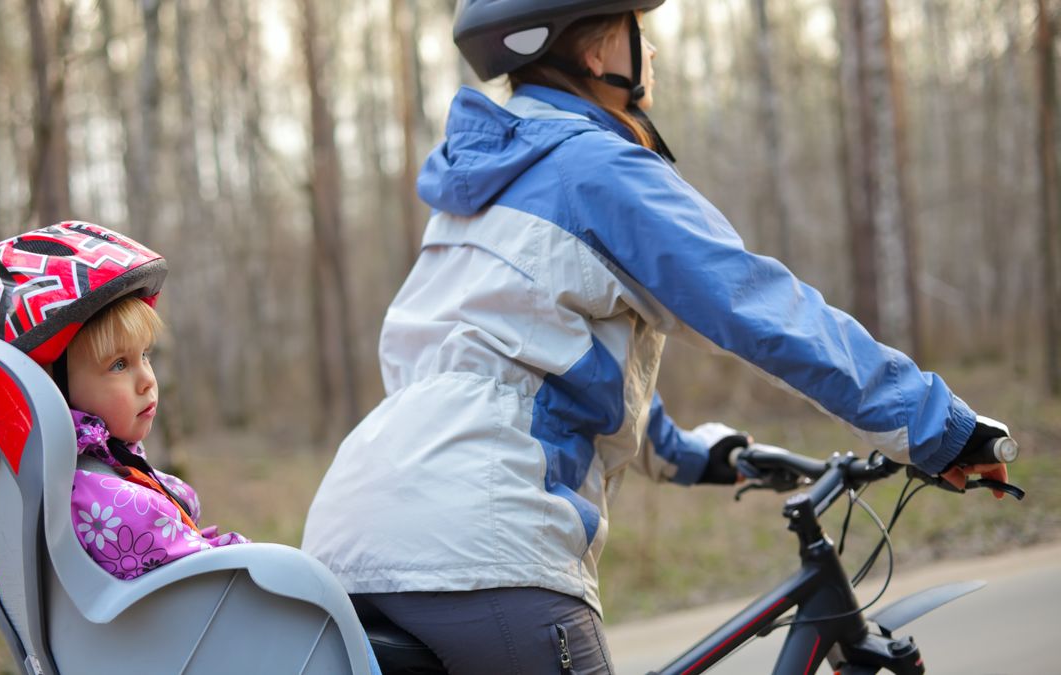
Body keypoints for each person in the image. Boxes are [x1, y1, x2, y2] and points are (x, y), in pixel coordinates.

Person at [301, 1, 1015, 673]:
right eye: (636, 23)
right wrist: (935, 425)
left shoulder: (472, 191)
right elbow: (759, 306)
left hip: (347, 545)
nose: (653, 47)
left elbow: (528, 380)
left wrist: (703, 456)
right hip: (479, 549)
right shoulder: (597, 166)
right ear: (596, 43)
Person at [0, 221, 248, 580]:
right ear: (46, 384)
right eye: (119, 365)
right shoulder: (113, 508)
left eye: (144, 355)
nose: (147, 380)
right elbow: (224, 584)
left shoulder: (73, 479)